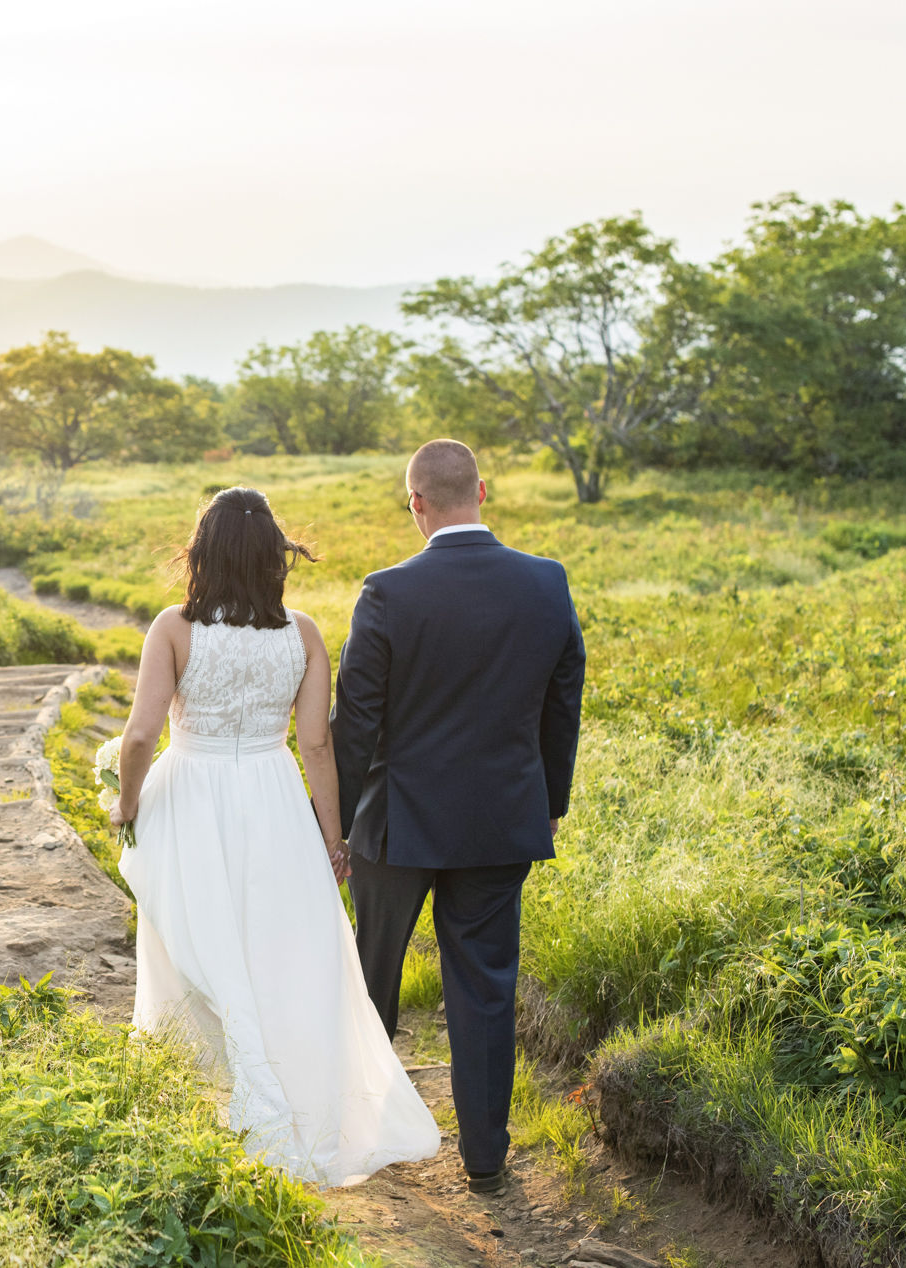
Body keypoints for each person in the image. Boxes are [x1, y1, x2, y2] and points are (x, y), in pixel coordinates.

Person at [109, 486, 439, 1186]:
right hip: (273, 796)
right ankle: (284, 1095)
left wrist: (127, 805)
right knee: (278, 951)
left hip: (189, 796)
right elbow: (317, 745)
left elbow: (140, 733)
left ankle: (218, 1096)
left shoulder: (174, 626)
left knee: (193, 945)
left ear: (202, 553)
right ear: (272, 557)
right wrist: (333, 838)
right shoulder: (304, 633)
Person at [331, 438, 585, 1195]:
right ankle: (485, 1159)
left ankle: (368, 1135)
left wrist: (333, 825)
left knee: (371, 976)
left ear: (417, 503)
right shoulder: (547, 583)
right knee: (483, 989)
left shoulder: (386, 592)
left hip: (395, 825)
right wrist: (549, 806)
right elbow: (562, 701)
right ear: (483, 490)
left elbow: (356, 724)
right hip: (500, 820)